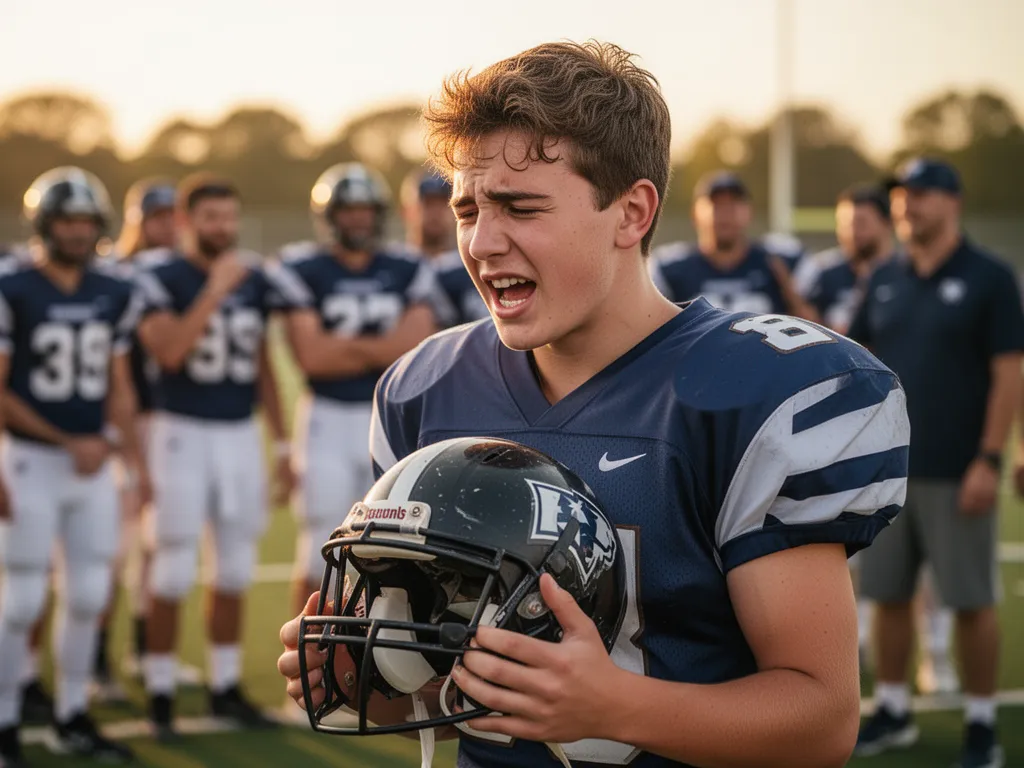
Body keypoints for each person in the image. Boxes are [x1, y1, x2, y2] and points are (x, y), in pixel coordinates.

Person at [278, 40, 909, 768]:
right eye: (468, 207)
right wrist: (375, 673)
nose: (482, 241)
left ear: (632, 212)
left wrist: (612, 705)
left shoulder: (750, 394)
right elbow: (456, 698)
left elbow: (820, 720)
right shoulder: (427, 388)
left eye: (520, 206)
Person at [850, 158, 1023, 768]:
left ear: (953, 201)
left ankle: (981, 724)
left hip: (959, 469)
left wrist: (992, 457)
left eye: (921, 194)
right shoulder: (886, 277)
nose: (907, 205)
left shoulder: (989, 277)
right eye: (900, 194)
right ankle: (893, 707)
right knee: (890, 595)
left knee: (971, 599)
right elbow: (862, 360)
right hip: (890, 470)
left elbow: (1010, 373)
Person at [134, 173, 291, 739]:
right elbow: (170, 352)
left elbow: (263, 367)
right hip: (179, 433)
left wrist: (281, 443)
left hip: (237, 434)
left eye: (229, 217)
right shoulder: (158, 275)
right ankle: (158, 695)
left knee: (233, 568)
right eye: (210, 218)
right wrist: (214, 289)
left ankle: (225, 687)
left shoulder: (252, 278)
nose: (222, 228)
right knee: (173, 571)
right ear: (184, 221)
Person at [0, 167, 143, 764]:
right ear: (45, 225)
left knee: (88, 594)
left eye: (86, 222)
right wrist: (66, 441)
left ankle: (72, 715)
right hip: (32, 460)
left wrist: (128, 455)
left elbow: (119, 384)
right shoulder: (13, 287)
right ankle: (5, 721)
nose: (78, 233)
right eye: (67, 222)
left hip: (91, 468)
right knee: (22, 600)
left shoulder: (114, 289)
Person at [265, 162, 443, 618]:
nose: (358, 220)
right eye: (348, 211)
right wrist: (382, 347)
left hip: (387, 417)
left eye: (365, 211)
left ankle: (374, 663)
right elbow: (313, 357)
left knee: (390, 544)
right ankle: (306, 666)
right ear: (329, 216)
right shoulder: (303, 266)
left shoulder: (407, 266)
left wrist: (343, 348)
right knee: (319, 545)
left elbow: (415, 345)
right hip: (325, 419)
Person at [92, 178, 178, 702]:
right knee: (113, 547)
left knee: (152, 547)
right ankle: (97, 658)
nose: (167, 228)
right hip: (115, 421)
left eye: (173, 217)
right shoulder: (119, 275)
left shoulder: (174, 275)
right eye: (156, 217)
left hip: (159, 420)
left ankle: (145, 652)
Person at [649, 172, 815, 318]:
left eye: (734, 203)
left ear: (749, 211)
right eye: (717, 204)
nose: (726, 212)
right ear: (695, 214)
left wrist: (792, 296)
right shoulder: (671, 268)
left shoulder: (778, 260)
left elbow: (816, 331)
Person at [401, 168, 489, 327]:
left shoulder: (475, 263)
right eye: (428, 204)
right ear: (407, 211)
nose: (436, 213)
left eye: (443, 204)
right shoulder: (394, 264)